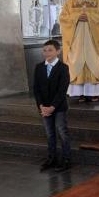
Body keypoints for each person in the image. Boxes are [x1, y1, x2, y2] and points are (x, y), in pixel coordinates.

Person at [58, 0, 99, 103]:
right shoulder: (70, 2)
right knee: (76, 62)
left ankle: (94, 93)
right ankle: (80, 93)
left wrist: (89, 17)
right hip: (76, 41)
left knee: (95, 61)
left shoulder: (98, 1)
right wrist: (76, 17)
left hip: (94, 41)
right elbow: (63, 18)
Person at [33, 40, 72, 172]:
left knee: (62, 132)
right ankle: (51, 158)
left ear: (58, 51)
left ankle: (66, 159)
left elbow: (62, 90)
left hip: (59, 107)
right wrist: (41, 106)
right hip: (44, 107)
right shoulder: (39, 67)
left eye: (50, 50)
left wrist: (52, 107)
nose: (46, 53)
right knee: (50, 134)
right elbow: (36, 89)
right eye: (44, 50)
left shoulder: (63, 68)